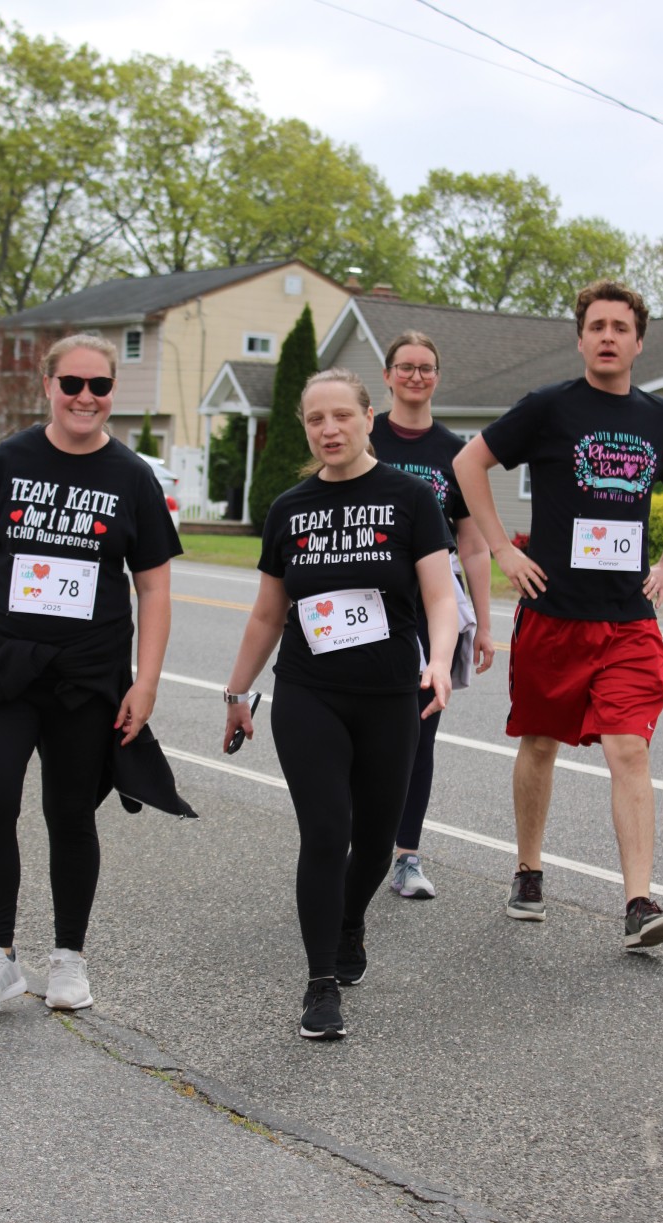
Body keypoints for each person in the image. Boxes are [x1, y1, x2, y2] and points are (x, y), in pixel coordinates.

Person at [0, 333, 183, 1012]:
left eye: (100, 386)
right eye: (72, 384)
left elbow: (154, 588)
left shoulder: (132, 476)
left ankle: (69, 958)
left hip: (87, 674)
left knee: (70, 811)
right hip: (2, 664)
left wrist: (146, 682)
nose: (85, 397)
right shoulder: (11, 459)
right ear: (48, 386)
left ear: (112, 393)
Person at [453, 280, 663, 949]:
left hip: (628, 618)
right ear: (580, 338)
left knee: (629, 747)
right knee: (540, 743)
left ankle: (639, 904)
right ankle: (529, 870)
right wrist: (503, 548)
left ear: (639, 342)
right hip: (554, 612)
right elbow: (469, 461)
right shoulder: (549, 407)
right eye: (597, 326)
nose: (608, 337)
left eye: (620, 327)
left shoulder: (661, 419)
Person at [224, 368, 459, 1039]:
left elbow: (440, 597)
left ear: (367, 418)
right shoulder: (289, 509)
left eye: (341, 416)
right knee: (327, 833)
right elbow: (267, 614)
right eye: (315, 419)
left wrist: (440, 661)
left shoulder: (410, 498)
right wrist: (237, 693)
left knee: (377, 843)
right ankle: (320, 982)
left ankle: (351, 919)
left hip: (390, 695)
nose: (329, 430)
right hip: (309, 693)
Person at [371, 330, 495, 900]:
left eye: (425, 367)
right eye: (405, 366)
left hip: (431, 611)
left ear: (437, 377)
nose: (415, 376)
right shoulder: (364, 436)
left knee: (418, 733)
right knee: (361, 729)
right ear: (387, 375)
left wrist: (485, 625)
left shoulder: (454, 452)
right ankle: (355, 842)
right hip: (367, 605)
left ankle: (406, 857)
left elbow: (472, 544)